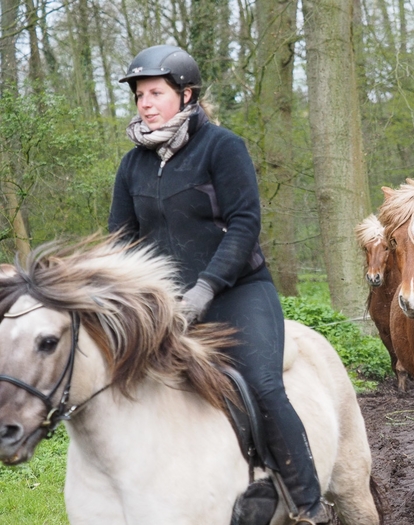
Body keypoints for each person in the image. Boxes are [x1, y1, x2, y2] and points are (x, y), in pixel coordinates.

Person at [109, 45, 329, 524]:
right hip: (166, 307)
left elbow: (246, 223)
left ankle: (309, 504)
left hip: (237, 291)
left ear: (185, 95)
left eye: (155, 93)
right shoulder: (132, 165)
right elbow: (121, 243)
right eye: (140, 95)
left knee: (263, 384)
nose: (145, 103)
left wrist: (205, 288)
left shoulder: (222, 147)